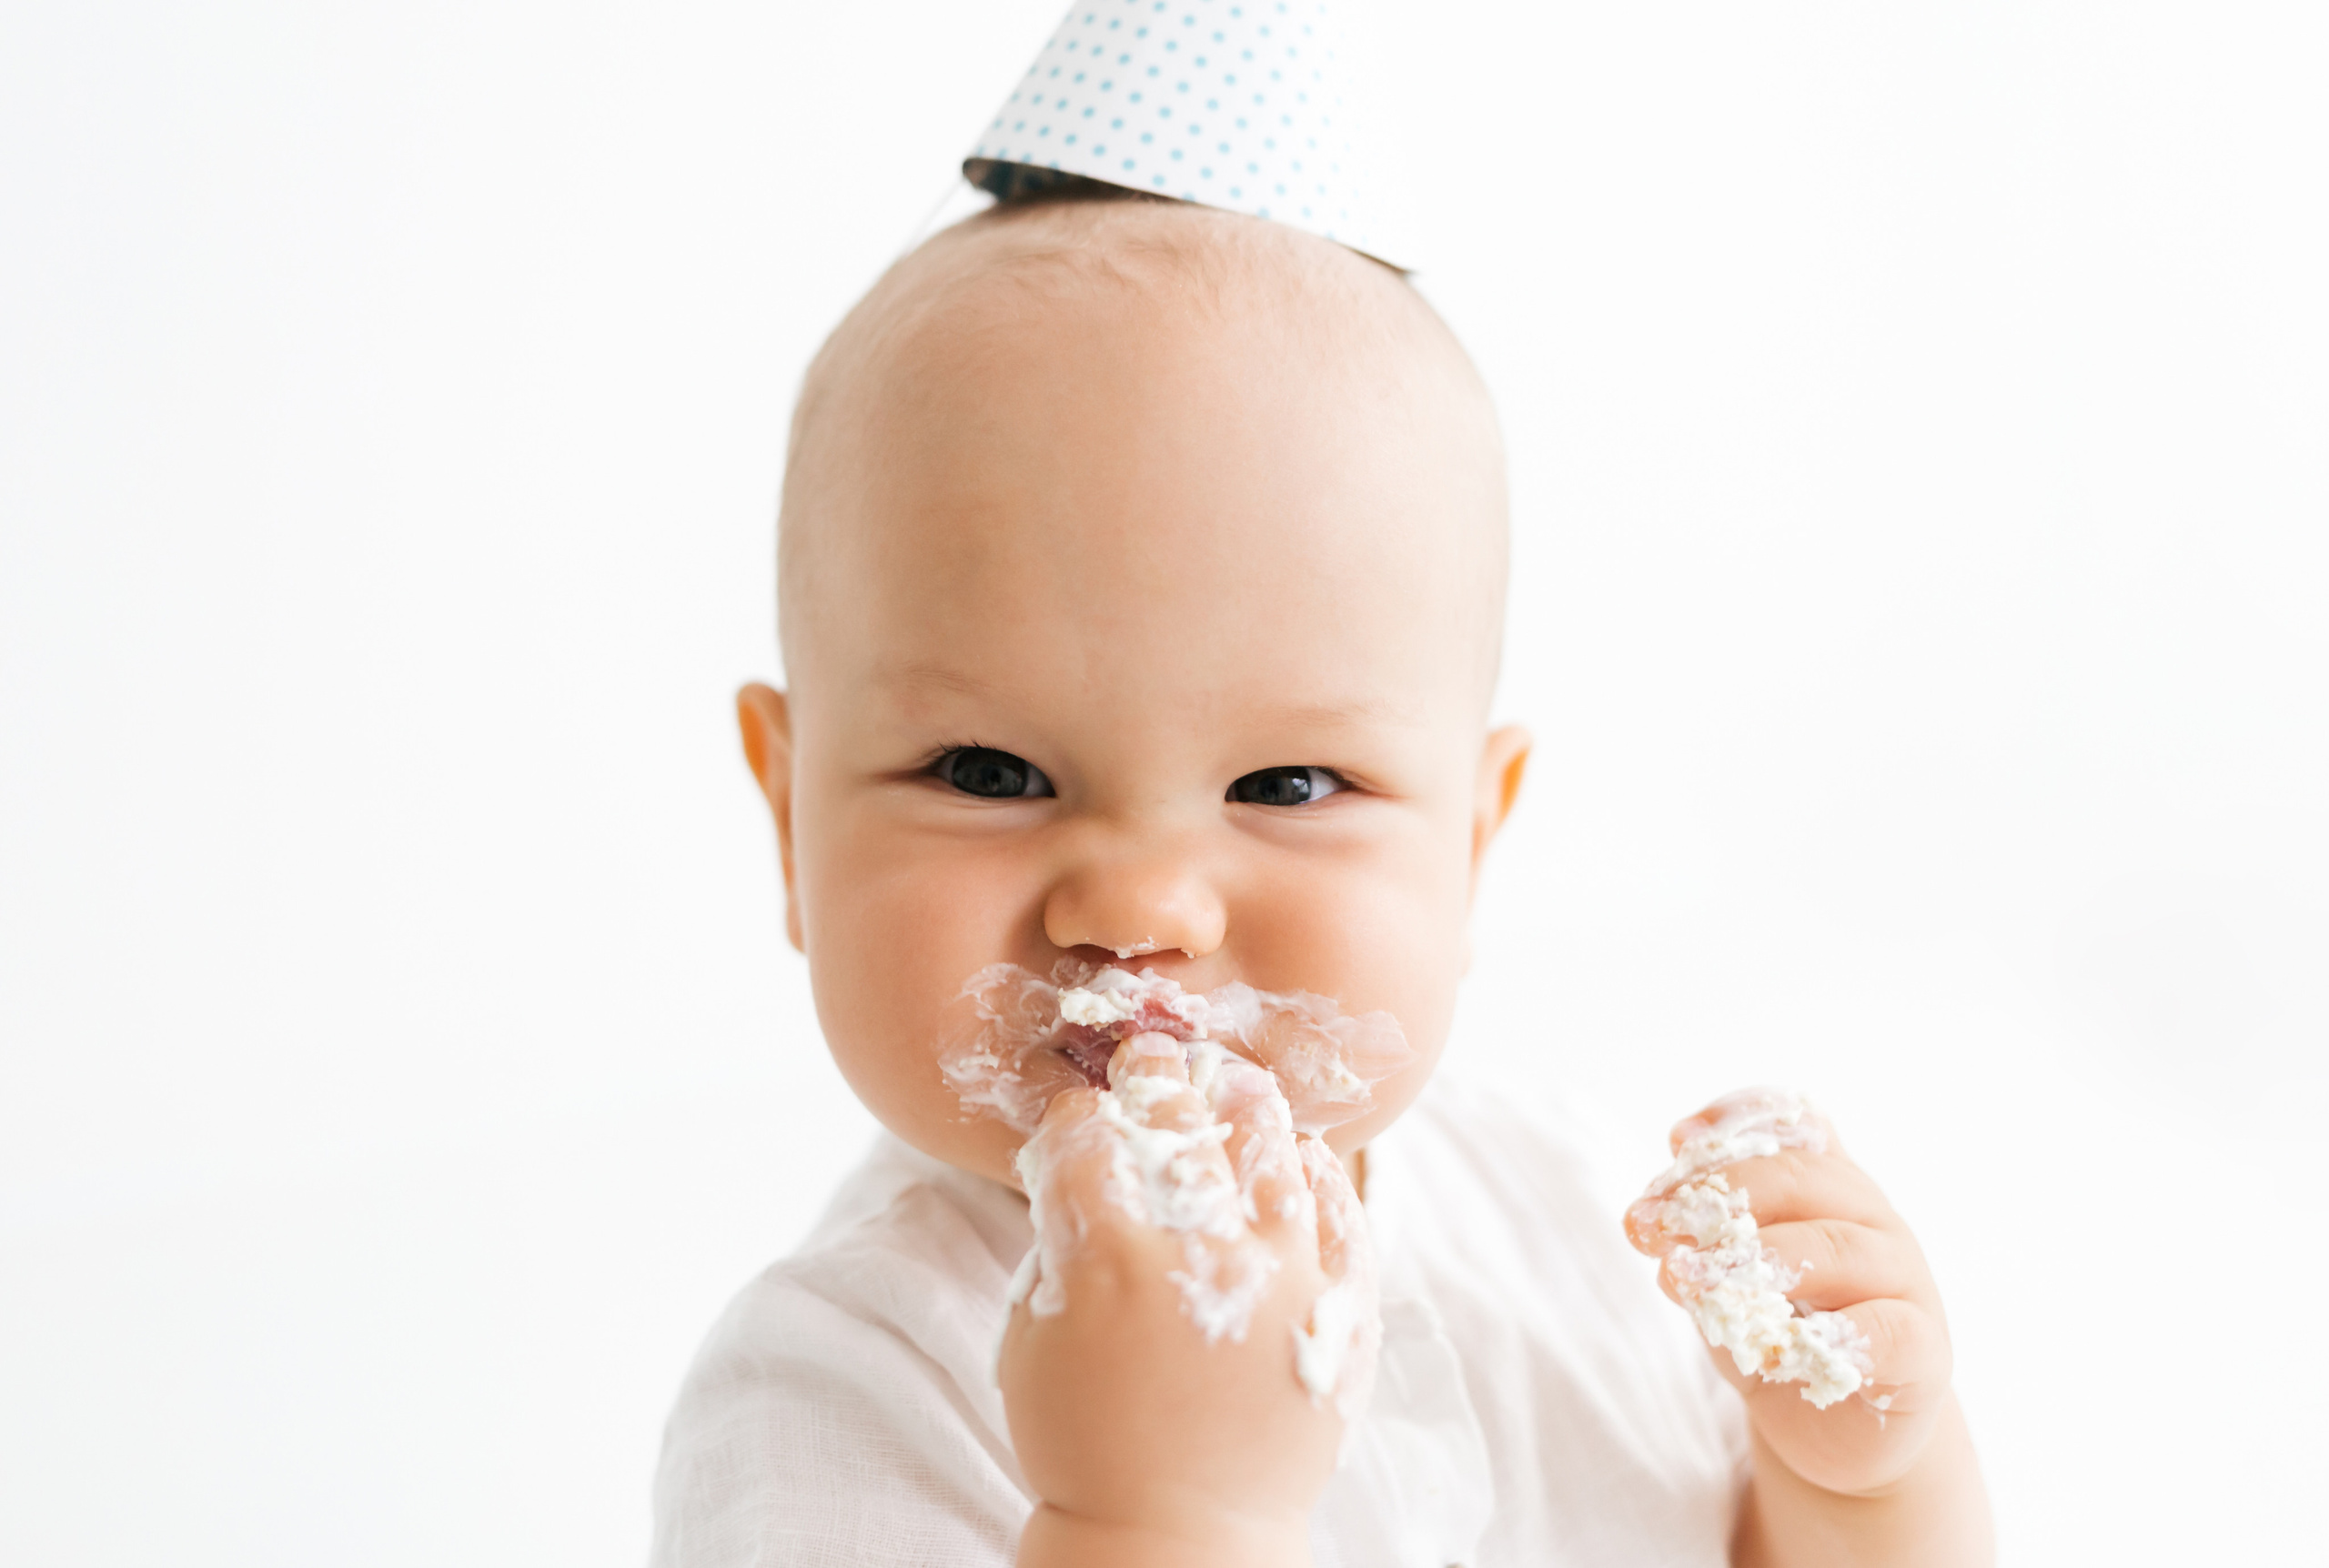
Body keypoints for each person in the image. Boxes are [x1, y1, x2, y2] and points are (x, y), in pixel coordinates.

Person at [651, 12, 1991, 1559]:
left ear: (1472, 846)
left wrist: (1860, 1487)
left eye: (1288, 782)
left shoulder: (1561, 1221)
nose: (1141, 904)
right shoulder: (834, 1390)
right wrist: (1154, 1512)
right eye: (991, 771)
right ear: (790, 820)